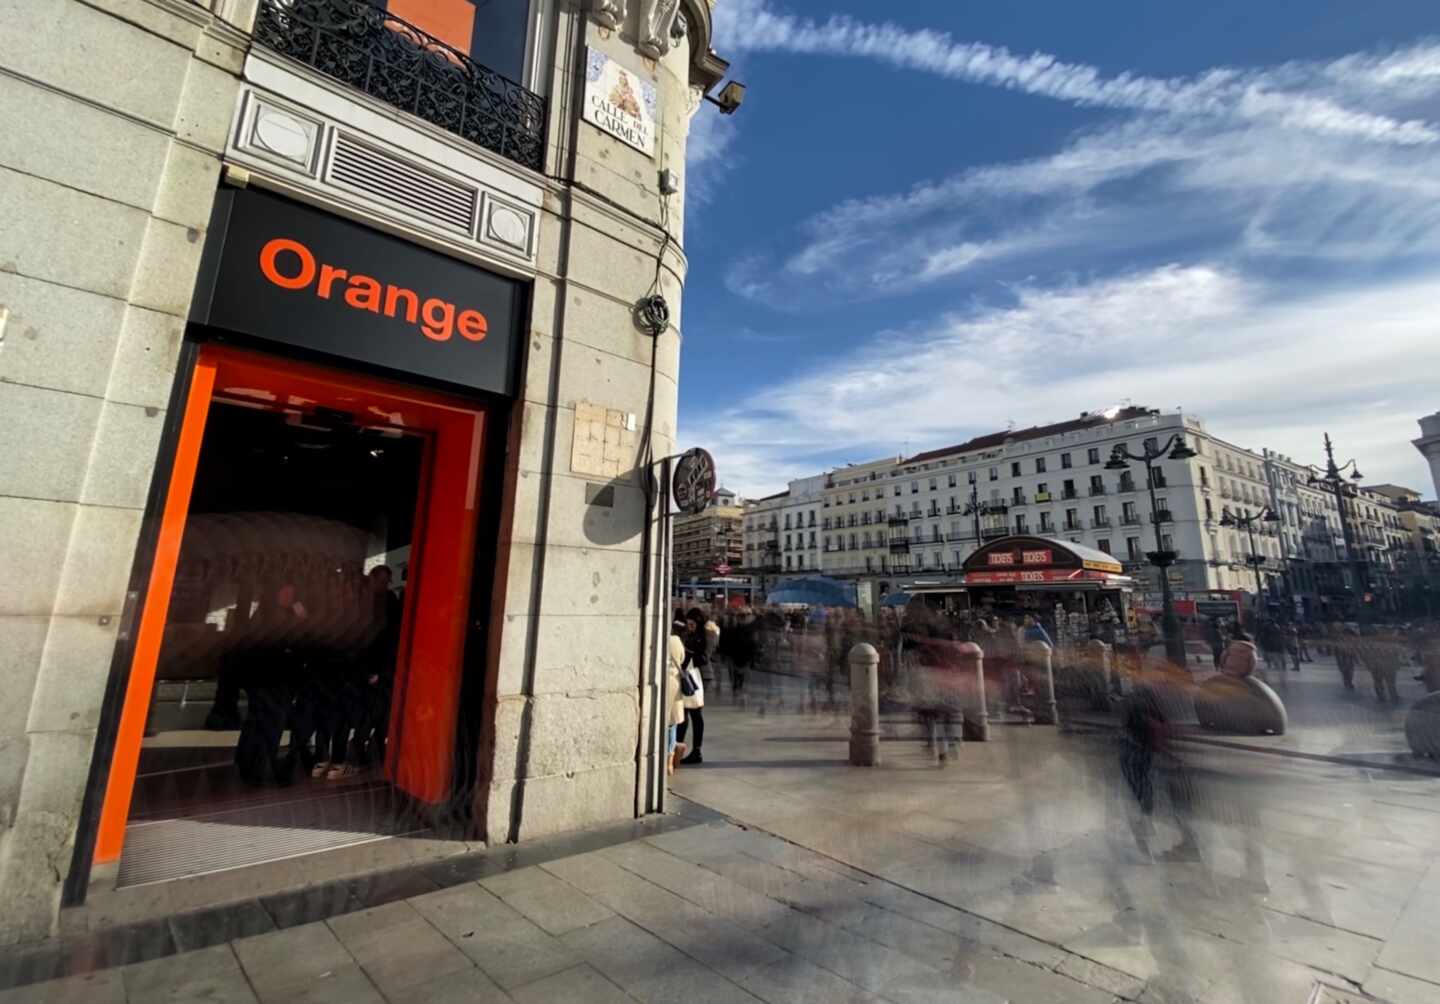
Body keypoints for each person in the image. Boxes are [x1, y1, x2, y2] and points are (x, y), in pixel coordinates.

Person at [677, 608, 708, 764]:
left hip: (695, 679)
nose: (689, 625)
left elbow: (700, 656)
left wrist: (687, 644)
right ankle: (680, 748)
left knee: (694, 715)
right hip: (690, 677)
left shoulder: (702, 637)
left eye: (692, 623)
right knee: (685, 715)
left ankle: (695, 751)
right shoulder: (689, 635)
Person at [665, 622, 688, 775]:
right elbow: (682, 659)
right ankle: (669, 761)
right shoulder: (677, 641)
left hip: (663, 679)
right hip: (674, 682)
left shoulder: (664, 639)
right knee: (672, 724)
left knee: (662, 721)